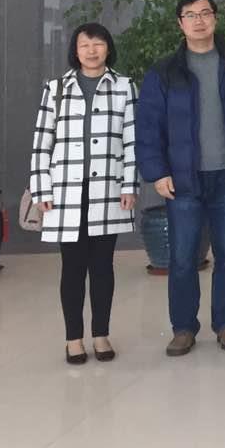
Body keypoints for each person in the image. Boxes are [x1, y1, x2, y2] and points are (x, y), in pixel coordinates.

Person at [138, 0, 225, 357]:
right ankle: (183, 328)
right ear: (180, 23)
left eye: (205, 13)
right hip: (182, 180)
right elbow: (148, 126)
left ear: (215, 19)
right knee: (182, 258)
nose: (199, 20)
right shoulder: (164, 71)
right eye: (190, 15)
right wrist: (157, 172)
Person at [29, 23, 138, 364]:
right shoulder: (56, 88)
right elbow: (42, 142)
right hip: (66, 192)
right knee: (73, 268)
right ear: (75, 51)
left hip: (108, 189)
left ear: (108, 48)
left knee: (103, 267)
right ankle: (73, 338)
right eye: (84, 45)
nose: (91, 51)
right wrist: (41, 188)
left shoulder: (124, 87)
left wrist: (130, 184)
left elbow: (133, 141)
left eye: (98, 44)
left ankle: (101, 335)